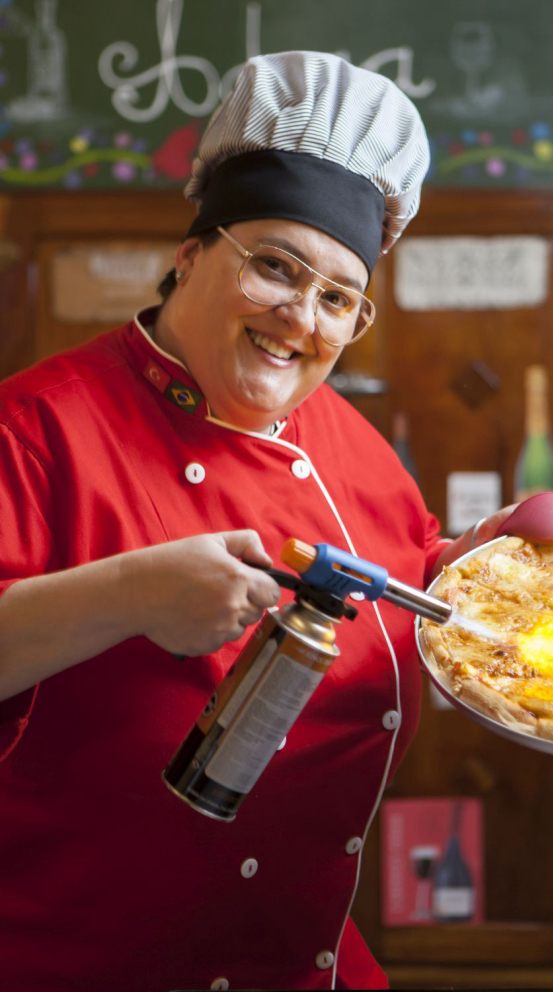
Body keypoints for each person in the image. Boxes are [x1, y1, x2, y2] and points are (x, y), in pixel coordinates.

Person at [0, 52, 519, 992]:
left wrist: (480, 563)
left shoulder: (349, 441)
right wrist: (129, 592)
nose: (300, 319)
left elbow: (399, 569)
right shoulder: (33, 429)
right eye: (275, 268)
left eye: (337, 299)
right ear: (189, 254)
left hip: (299, 962)